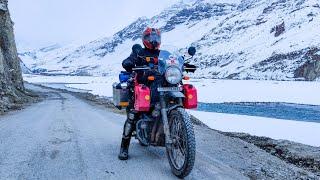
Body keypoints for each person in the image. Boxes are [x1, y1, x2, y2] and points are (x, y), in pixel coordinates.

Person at [118, 27, 161, 160]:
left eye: (156, 38)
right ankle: (124, 147)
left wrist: (183, 62)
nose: (153, 41)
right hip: (141, 86)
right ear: (144, 40)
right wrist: (130, 62)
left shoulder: (163, 54)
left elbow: (174, 61)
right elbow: (126, 63)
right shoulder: (139, 52)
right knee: (132, 115)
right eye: (150, 38)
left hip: (158, 87)